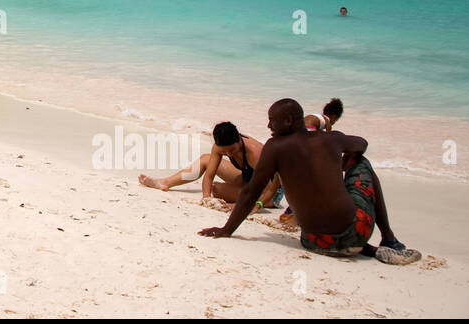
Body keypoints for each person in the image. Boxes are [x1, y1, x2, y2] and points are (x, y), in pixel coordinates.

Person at [199, 98, 420, 265]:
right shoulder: (331, 139)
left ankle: (370, 248)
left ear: (287, 121)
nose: (268, 126)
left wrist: (227, 229)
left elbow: (251, 192)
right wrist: (339, 156)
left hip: (314, 240)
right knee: (361, 162)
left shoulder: (275, 148)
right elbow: (361, 144)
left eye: (272, 121)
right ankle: (389, 240)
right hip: (356, 233)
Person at [139, 121, 282, 208]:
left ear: (239, 139)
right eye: (226, 152)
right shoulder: (221, 147)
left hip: (269, 193)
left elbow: (271, 187)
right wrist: (205, 197)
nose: (230, 154)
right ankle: (165, 182)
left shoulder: (254, 154)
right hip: (248, 177)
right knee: (205, 159)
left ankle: (241, 194)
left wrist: (240, 206)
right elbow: (209, 175)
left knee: (218, 190)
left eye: (232, 150)